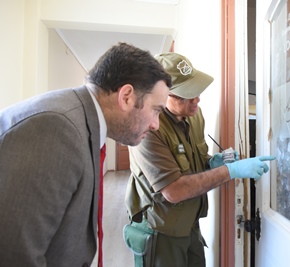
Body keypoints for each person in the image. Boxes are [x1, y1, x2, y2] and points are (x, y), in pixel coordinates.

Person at [0, 42, 172, 267]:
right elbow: (14, 255)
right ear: (127, 96)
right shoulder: (55, 129)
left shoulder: (81, 123)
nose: (156, 125)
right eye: (156, 110)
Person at [125, 52, 275, 267]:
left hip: (190, 224)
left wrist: (211, 162)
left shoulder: (195, 116)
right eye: (187, 94)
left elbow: (193, 159)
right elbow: (173, 191)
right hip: (160, 231)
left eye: (196, 91)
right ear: (161, 95)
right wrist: (231, 172)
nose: (196, 99)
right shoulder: (147, 128)